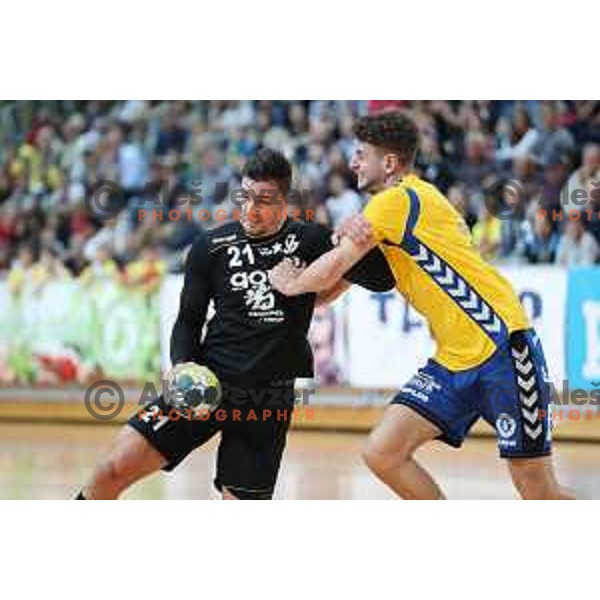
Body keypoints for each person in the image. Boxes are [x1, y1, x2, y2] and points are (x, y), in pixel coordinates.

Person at [269, 111, 574, 500]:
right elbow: (331, 289)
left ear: (390, 163)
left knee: (537, 489)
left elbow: (327, 274)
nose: (352, 162)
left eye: (361, 154)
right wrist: (323, 259)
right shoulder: (394, 209)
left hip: (502, 345)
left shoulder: (395, 202)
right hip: (453, 360)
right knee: (383, 452)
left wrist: (289, 283)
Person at [75, 148, 394, 500]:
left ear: (285, 201)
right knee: (111, 470)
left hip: (266, 397)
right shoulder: (210, 246)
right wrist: (182, 365)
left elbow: (382, 279)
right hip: (207, 383)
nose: (250, 208)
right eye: (246, 196)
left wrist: (356, 237)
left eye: (263, 200)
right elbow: (187, 322)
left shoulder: (311, 240)